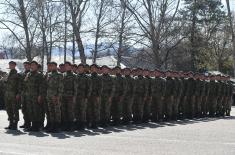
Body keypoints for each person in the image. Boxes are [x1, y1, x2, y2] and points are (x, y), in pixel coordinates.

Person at [24, 61, 44, 131]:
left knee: (36, 111)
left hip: (36, 95)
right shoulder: (28, 74)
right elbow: (26, 84)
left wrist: (40, 95)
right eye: (31, 65)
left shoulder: (39, 75)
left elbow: (41, 86)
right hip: (29, 95)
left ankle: (37, 126)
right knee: (30, 110)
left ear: (36, 66)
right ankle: (33, 125)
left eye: (33, 65)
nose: (32, 66)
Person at [46, 62, 63, 132]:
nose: (51, 67)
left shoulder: (59, 75)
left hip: (55, 96)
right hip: (49, 96)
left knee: (57, 112)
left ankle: (57, 126)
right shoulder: (49, 74)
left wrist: (58, 96)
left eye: (53, 66)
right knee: (51, 111)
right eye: (50, 66)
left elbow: (61, 86)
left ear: (56, 66)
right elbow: (47, 85)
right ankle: (52, 125)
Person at [61, 62, 77, 131]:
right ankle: (65, 125)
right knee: (64, 111)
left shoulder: (74, 75)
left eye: (68, 66)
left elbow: (75, 87)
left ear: (70, 67)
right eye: (65, 66)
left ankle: (71, 125)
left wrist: (74, 97)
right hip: (63, 95)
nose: (66, 67)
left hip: (70, 95)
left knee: (70, 111)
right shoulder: (63, 75)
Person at [4, 61, 20, 130]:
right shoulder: (8, 74)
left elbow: (19, 85)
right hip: (7, 94)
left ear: (15, 65)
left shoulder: (16, 74)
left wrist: (18, 93)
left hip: (14, 94)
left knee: (14, 109)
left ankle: (15, 124)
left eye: (12, 65)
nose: (10, 66)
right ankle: (10, 123)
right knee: (8, 109)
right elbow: (6, 83)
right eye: (10, 64)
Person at [74, 64, 90, 130]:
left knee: (82, 111)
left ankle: (82, 125)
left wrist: (86, 97)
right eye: (79, 68)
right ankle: (78, 124)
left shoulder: (86, 77)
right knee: (76, 110)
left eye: (81, 68)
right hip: (76, 96)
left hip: (83, 96)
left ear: (84, 69)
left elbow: (89, 88)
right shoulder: (76, 76)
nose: (80, 69)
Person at [87, 64, 102, 128]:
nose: (93, 69)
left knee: (96, 109)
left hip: (95, 95)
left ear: (96, 69)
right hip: (89, 95)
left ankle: (95, 123)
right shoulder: (88, 76)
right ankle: (90, 122)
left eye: (94, 68)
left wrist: (98, 96)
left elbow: (100, 87)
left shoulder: (99, 77)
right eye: (91, 68)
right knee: (89, 109)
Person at [19, 61, 31, 129]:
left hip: (30, 94)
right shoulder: (23, 73)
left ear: (29, 66)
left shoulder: (31, 73)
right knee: (24, 109)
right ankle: (26, 122)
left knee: (30, 109)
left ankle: (31, 123)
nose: (25, 66)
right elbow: (21, 83)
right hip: (23, 94)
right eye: (24, 65)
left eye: (26, 65)